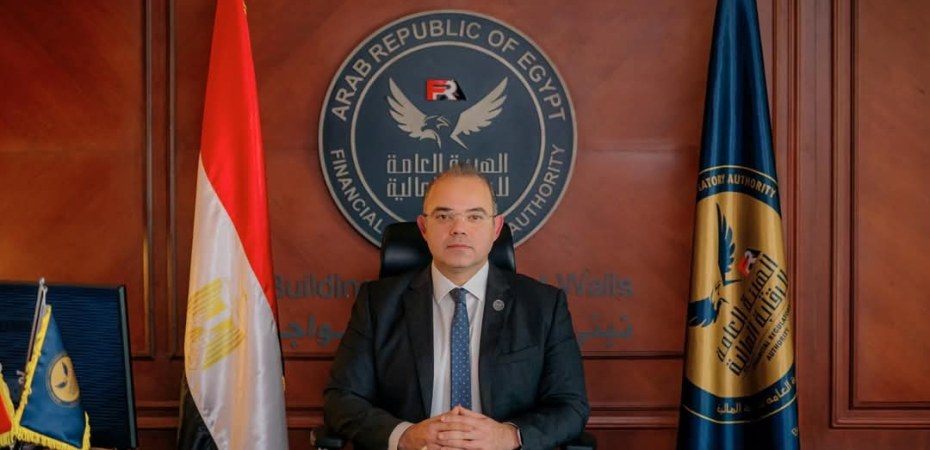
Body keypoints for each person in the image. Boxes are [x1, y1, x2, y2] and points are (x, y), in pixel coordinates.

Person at [323, 164, 589, 450]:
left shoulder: (543, 306)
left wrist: (508, 436)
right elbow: (342, 399)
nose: (459, 228)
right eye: (443, 216)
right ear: (424, 228)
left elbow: (570, 406)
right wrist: (405, 436)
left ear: (496, 228)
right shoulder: (377, 304)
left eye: (474, 216)